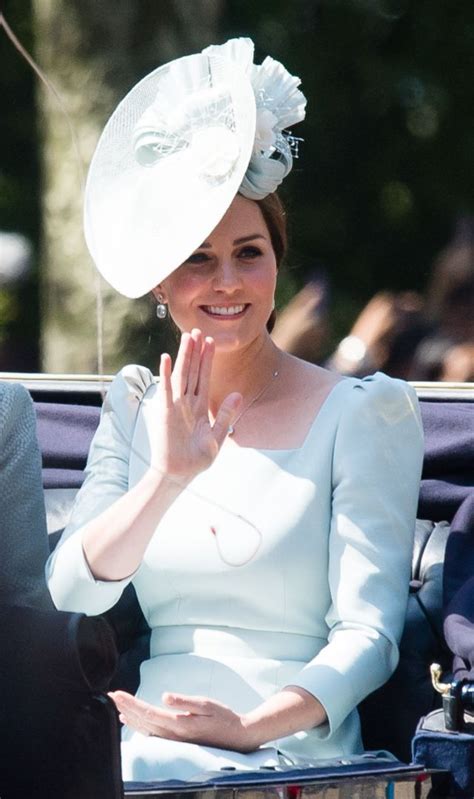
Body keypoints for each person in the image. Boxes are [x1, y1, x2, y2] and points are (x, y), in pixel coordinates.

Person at [46, 38, 425, 782]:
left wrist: (250, 726)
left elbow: (370, 634)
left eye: (249, 252)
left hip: (298, 752)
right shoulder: (133, 408)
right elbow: (69, 588)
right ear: (162, 282)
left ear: (278, 265)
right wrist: (168, 477)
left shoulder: (362, 414)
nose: (226, 281)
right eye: (198, 257)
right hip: (149, 754)